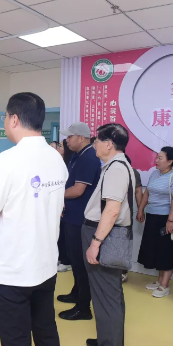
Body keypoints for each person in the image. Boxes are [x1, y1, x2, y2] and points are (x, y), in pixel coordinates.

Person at [0, 92, 68, 346]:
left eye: (5, 116)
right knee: (46, 330)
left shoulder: (7, 160)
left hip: (13, 270)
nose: (5, 121)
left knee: (16, 341)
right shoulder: (56, 157)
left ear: (14, 119)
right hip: (45, 265)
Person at [83, 123, 135, 346]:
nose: (94, 144)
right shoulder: (115, 165)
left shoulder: (116, 168)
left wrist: (95, 242)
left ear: (109, 144)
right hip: (105, 234)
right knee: (107, 292)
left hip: (104, 235)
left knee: (107, 294)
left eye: (97, 140)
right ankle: (109, 340)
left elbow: (112, 210)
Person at [57, 122, 102, 321]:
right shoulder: (77, 155)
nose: (66, 140)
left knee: (80, 263)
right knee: (74, 260)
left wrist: (54, 196)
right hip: (72, 216)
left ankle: (84, 307)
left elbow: (78, 190)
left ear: (81, 138)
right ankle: (76, 293)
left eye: (70, 137)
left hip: (80, 219)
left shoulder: (89, 157)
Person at [137, 146, 173, 298]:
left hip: (166, 218)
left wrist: (170, 219)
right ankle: (159, 281)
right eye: (157, 157)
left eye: (160, 158)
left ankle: (165, 285)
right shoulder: (154, 174)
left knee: (166, 251)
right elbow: (147, 193)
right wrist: (141, 209)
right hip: (152, 216)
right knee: (156, 249)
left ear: (169, 162)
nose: (156, 160)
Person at [50, 140, 72, 273]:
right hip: (57, 203)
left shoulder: (68, 163)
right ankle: (59, 257)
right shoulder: (53, 163)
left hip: (66, 203)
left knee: (64, 233)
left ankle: (65, 260)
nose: (57, 149)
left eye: (59, 146)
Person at [121, 153, 142, 283]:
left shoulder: (133, 172)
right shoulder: (106, 169)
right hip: (105, 213)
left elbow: (138, 191)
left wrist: (140, 209)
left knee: (124, 242)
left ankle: (123, 271)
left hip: (125, 213)